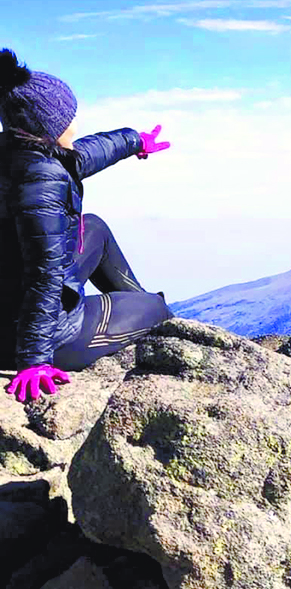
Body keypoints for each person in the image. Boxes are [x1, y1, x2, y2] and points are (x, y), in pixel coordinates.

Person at [0, 48, 173, 403]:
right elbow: (43, 276)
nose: (75, 125)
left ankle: (131, 301)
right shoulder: (40, 185)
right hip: (44, 334)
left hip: (12, 301)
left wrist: (134, 141)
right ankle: (145, 315)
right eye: (69, 119)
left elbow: (84, 155)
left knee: (94, 227)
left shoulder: (21, 153)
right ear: (48, 128)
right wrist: (34, 360)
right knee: (157, 309)